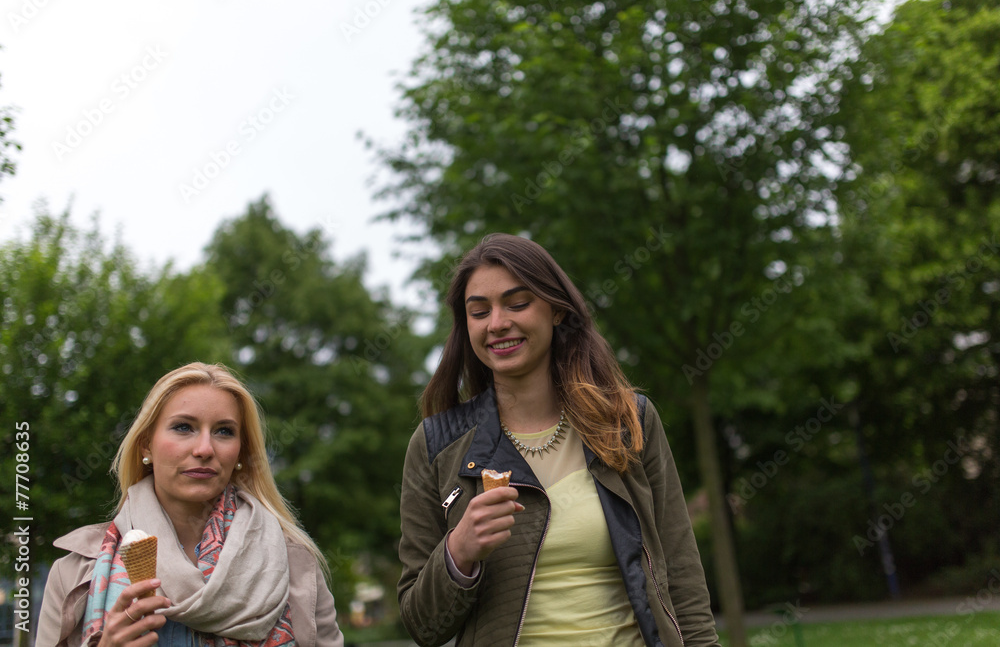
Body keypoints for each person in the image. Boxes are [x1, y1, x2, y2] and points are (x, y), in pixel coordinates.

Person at [397, 233, 721, 647]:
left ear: (555, 310)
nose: (497, 323)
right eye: (479, 312)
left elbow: (682, 573)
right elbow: (422, 626)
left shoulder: (628, 421)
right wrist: (458, 552)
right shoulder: (435, 445)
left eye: (517, 303)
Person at [38, 362, 344, 647]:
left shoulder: (293, 563)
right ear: (146, 444)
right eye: (183, 427)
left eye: (224, 431)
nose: (204, 449)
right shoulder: (75, 572)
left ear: (239, 453)